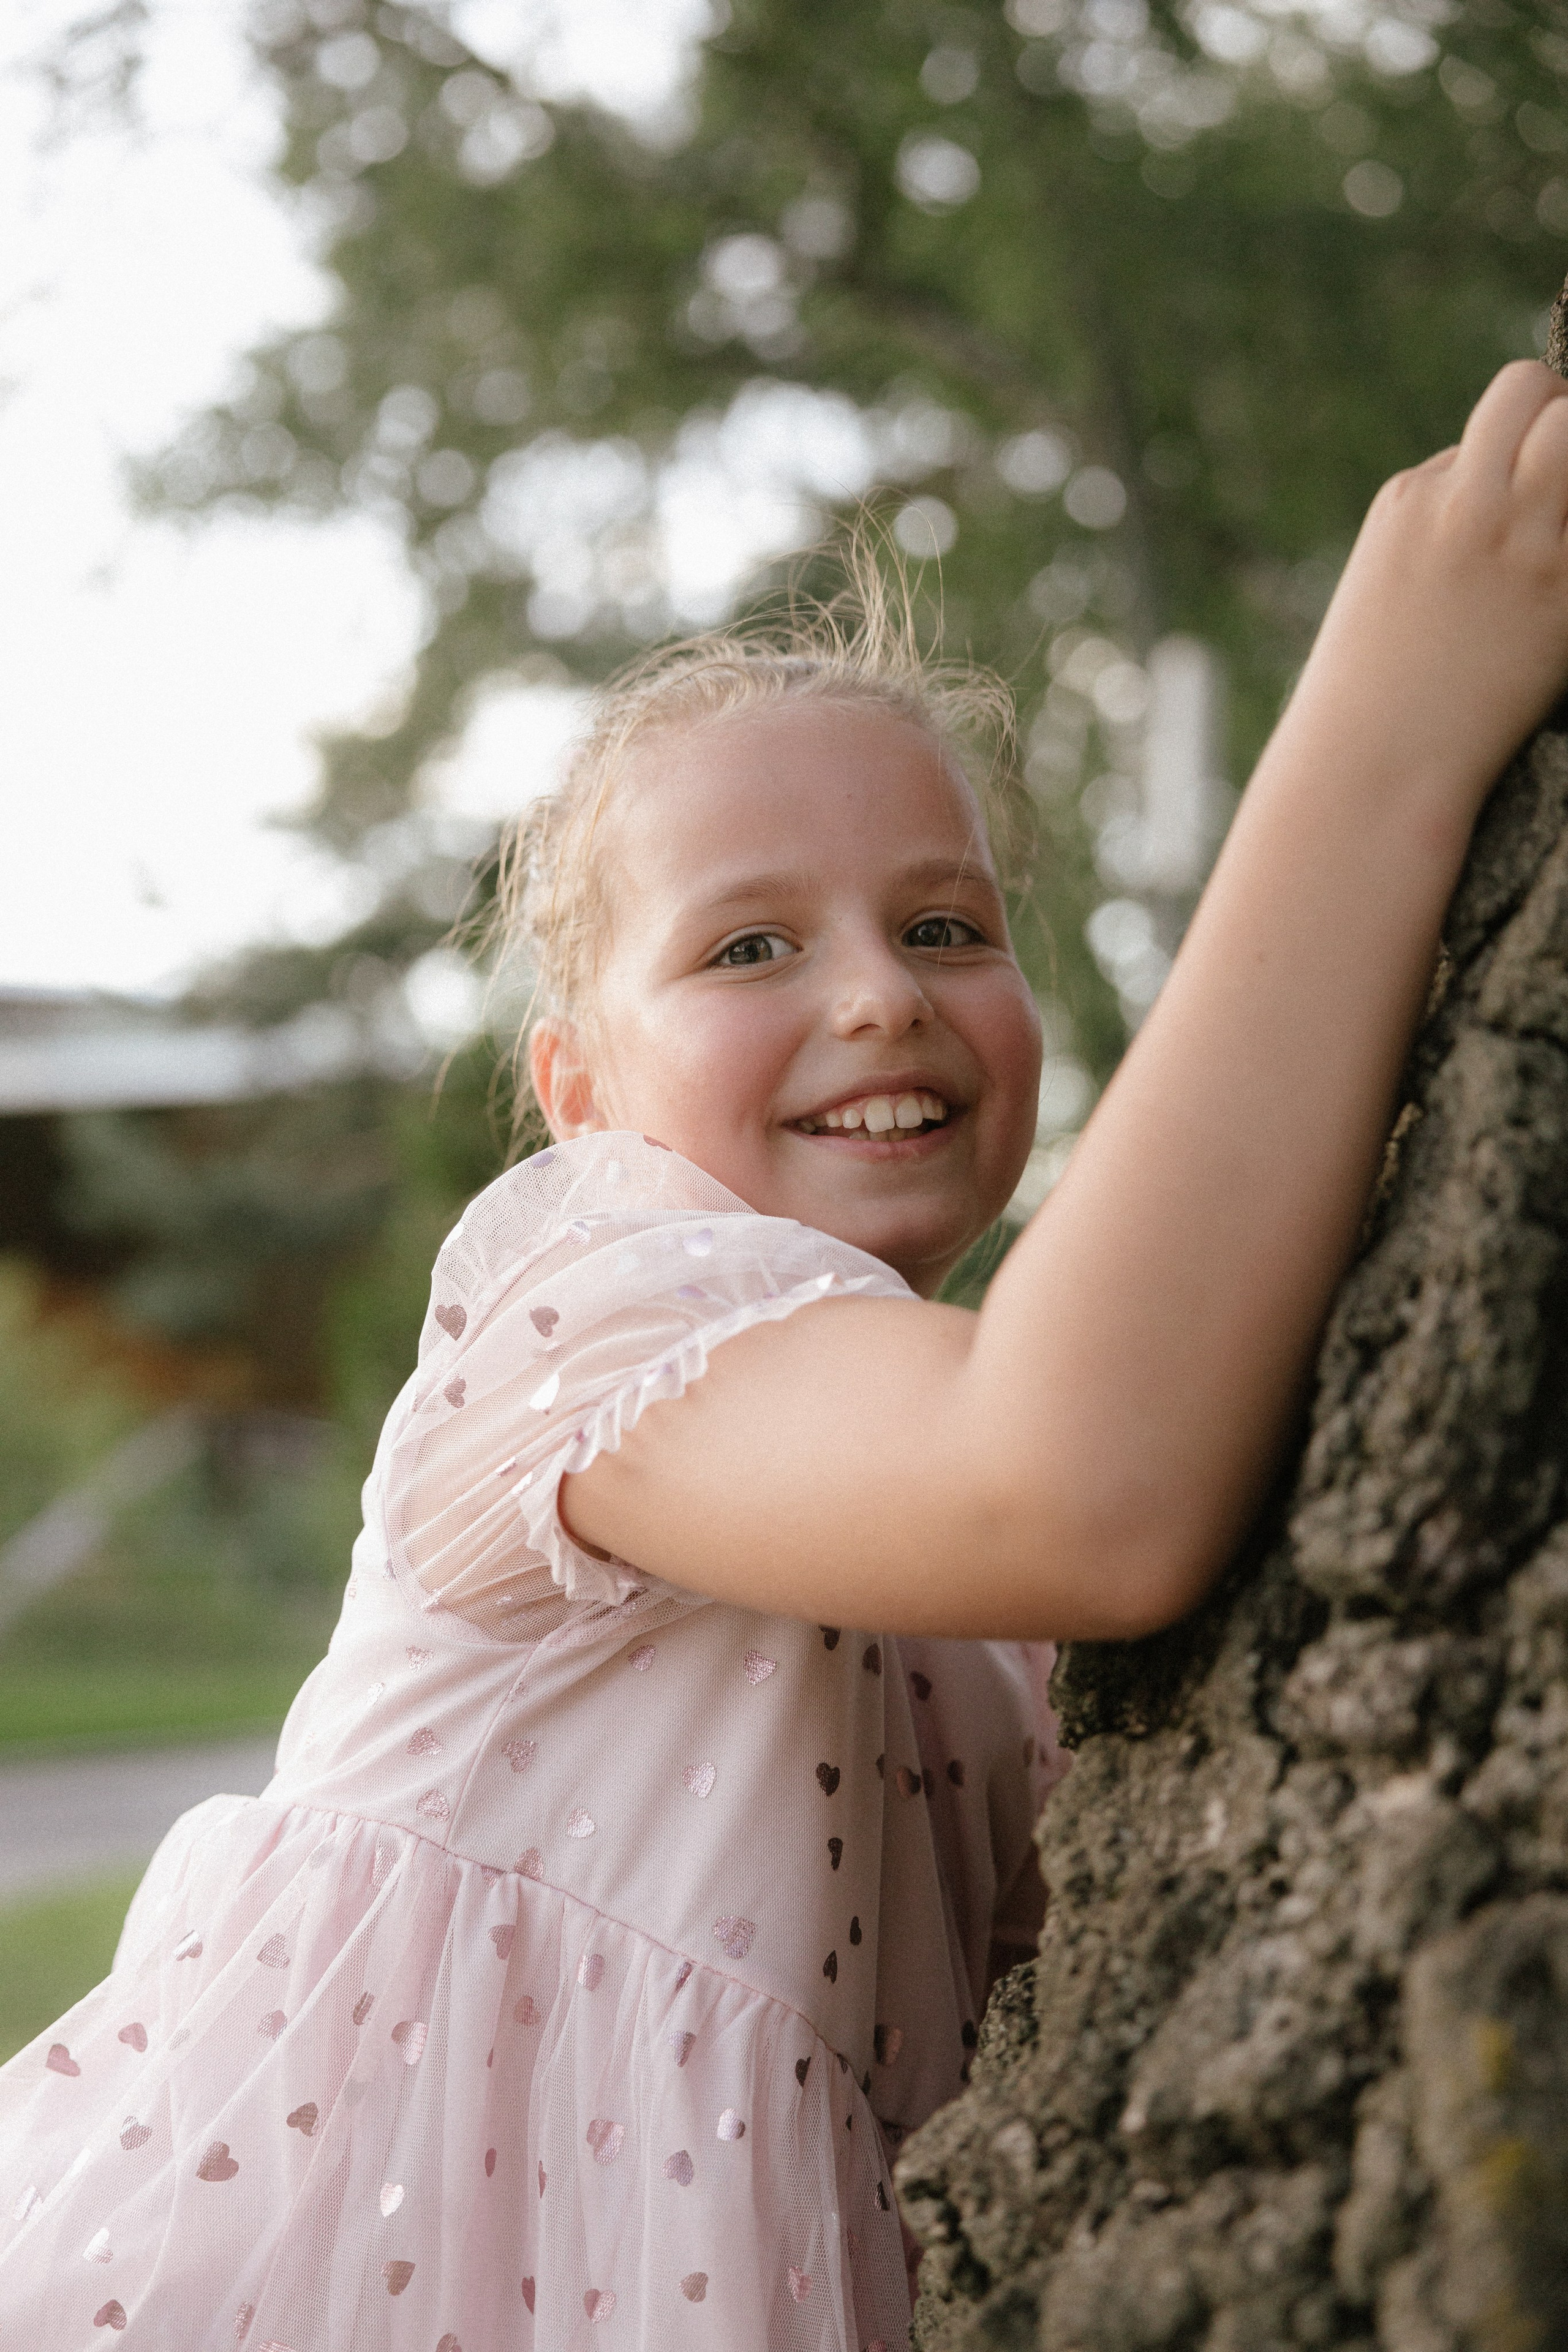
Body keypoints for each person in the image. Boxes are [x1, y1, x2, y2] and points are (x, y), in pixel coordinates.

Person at [5, 359, 1568, 2352]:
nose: (874, 998)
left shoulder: (950, 1575)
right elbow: (1076, 1481)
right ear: (578, 1097)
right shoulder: (589, 1303)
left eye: (945, 927)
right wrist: (1389, 731)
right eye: (748, 948)